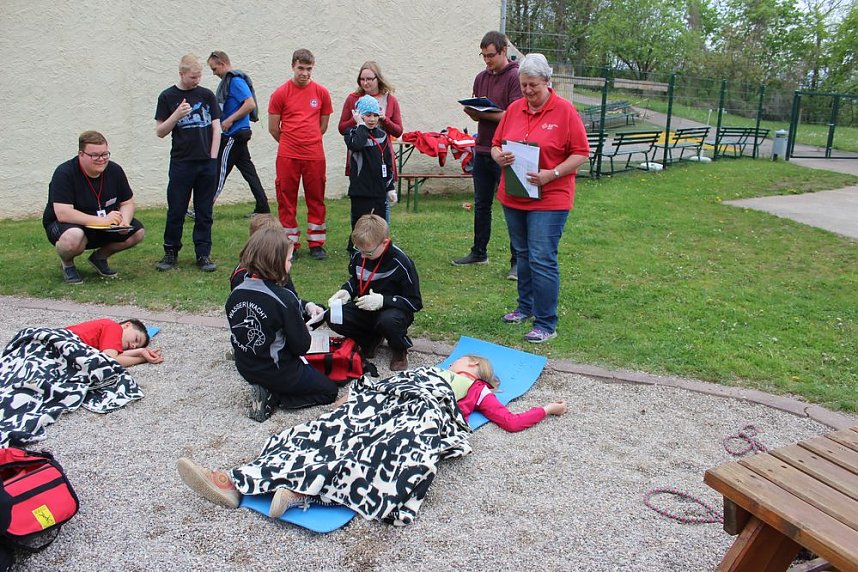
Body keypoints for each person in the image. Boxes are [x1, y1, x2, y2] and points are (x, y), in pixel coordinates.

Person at [176, 354, 567, 524]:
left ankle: (301, 493)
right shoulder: (431, 370)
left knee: (379, 453)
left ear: (475, 366)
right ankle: (234, 480)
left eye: (463, 360)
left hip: (422, 415)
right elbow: (393, 384)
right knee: (317, 434)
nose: (455, 361)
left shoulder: (476, 389)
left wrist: (547, 409)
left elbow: (510, 421)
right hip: (385, 404)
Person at [490, 54, 589, 343]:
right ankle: (525, 307)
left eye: (533, 85)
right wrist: (499, 156)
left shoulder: (565, 111)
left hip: (550, 197)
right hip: (515, 194)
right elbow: (496, 144)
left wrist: (552, 173)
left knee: (542, 257)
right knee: (522, 254)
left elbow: (581, 153)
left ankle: (546, 323)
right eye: (523, 85)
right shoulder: (514, 109)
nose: (528, 91)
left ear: (547, 81)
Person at [225, 226, 338, 422]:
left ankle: (266, 388)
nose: (290, 265)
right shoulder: (284, 298)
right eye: (289, 260)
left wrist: (304, 308)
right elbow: (301, 346)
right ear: (276, 263)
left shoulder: (236, 293)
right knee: (329, 391)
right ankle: (274, 396)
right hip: (277, 371)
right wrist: (302, 329)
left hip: (245, 366)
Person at [452, 31, 523, 281]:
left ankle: (517, 261)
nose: (486, 60)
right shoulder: (481, 77)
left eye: (490, 55)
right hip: (482, 148)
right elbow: (478, 109)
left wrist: (481, 114)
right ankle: (478, 253)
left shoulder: (515, 77)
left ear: (504, 51)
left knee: (513, 206)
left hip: (506, 151)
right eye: (483, 55)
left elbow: (513, 115)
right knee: (482, 205)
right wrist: (474, 112)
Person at [42, 131, 145, 284]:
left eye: (105, 154)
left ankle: (99, 258)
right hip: (68, 225)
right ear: (81, 154)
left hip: (102, 225)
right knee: (73, 237)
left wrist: (124, 221)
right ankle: (67, 264)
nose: (101, 159)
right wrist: (102, 221)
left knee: (137, 232)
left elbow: (127, 202)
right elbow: (63, 213)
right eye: (95, 155)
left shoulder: (115, 170)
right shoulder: (64, 173)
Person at [326, 214, 421, 371]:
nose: (363, 256)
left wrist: (383, 301)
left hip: (393, 311)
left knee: (388, 321)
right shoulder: (360, 254)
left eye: (368, 253)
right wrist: (346, 290)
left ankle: (399, 349)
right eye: (359, 250)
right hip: (365, 307)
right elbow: (356, 279)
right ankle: (369, 339)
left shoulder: (401, 262)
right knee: (333, 315)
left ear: (384, 243)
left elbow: (415, 302)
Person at [154, 53, 222, 273]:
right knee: (176, 209)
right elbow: (160, 131)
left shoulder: (206, 95)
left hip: (206, 163)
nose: (197, 80)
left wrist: (213, 158)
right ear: (181, 74)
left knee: (204, 211)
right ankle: (170, 251)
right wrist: (176, 115)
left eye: (199, 76)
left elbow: (216, 128)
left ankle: (203, 253)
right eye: (193, 77)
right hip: (181, 162)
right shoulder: (167, 96)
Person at [268, 48, 333, 260]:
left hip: (314, 155)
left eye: (309, 69)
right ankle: (290, 244)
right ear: (293, 66)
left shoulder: (321, 93)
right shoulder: (280, 93)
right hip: (288, 155)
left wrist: (308, 141)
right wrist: (291, 143)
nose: (304, 73)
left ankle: (316, 243)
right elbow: (273, 128)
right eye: (301, 68)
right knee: (286, 199)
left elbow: (323, 126)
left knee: (316, 198)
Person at [207, 51, 271, 217]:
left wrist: (229, 120)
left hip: (234, 134)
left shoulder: (235, 80)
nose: (214, 73)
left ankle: (204, 207)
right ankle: (263, 208)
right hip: (240, 133)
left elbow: (249, 104)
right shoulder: (231, 81)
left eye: (214, 69)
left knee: (220, 170)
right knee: (249, 172)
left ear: (222, 63)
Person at [343, 95, 396, 251]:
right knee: (360, 224)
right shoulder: (352, 133)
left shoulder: (382, 135)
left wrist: (390, 188)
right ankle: (355, 250)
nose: (372, 119)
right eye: (367, 115)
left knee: (378, 224)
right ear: (359, 115)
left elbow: (387, 162)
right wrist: (361, 125)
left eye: (375, 115)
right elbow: (357, 145)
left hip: (378, 190)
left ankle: (378, 248)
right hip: (361, 191)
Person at [337, 61, 403, 139]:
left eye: (369, 79)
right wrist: (355, 120)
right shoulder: (353, 98)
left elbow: (398, 132)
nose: (365, 83)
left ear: (378, 79)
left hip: (381, 146)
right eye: (362, 79)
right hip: (358, 146)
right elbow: (342, 129)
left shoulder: (390, 100)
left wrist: (385, 120)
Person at [65, 318, 164, 368]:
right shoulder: (114, 327)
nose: (133, 345)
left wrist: (141, 351)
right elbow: (110, 360)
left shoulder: (106, 341)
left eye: (135, 347)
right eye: (136, 339)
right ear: (127, 325)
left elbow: (110, 357)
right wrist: (143, 359)